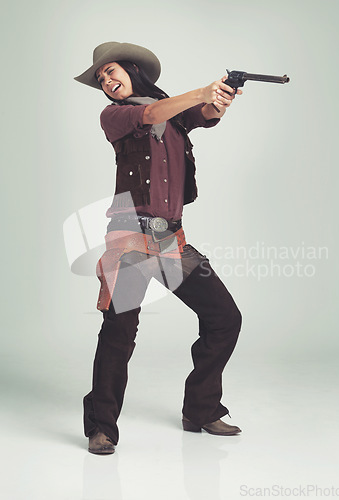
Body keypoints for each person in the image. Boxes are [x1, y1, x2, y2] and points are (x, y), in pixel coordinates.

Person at [74, 42, 243, 455]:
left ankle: (200, 410)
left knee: (224, 318)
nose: (108, 81)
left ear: (132, 68)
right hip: (129, 240)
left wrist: (220, 98)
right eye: (101, 79)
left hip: (171, 241)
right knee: (119, 334)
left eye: (111, 70)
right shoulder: (116, 115)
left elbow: (204, 115)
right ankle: (102, 428)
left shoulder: (172, 110)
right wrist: (203, 92)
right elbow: (150, 115)